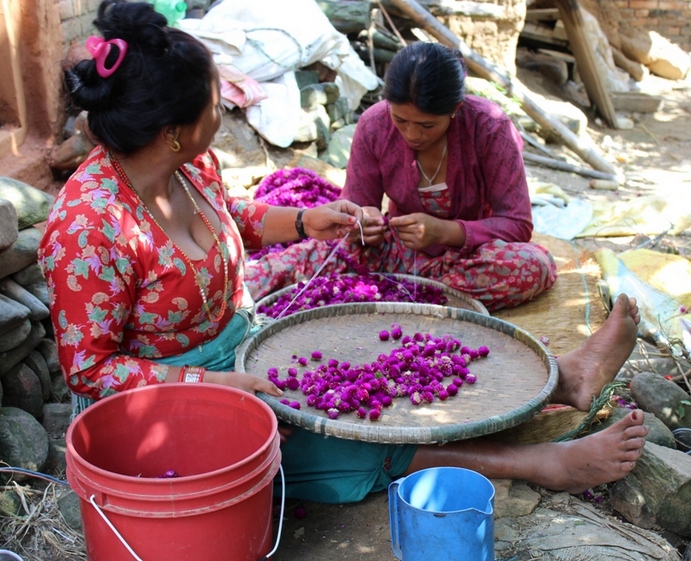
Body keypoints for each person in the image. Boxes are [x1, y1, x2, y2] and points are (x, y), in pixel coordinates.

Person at [42, 0, 647, 505]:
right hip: (167, 402)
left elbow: (233, 218)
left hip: (241, 349)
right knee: (353, 441)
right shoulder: (88, 227)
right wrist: (216, 384)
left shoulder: (189, 165)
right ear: (174, 126)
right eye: (214, 99)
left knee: (381, 378)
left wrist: (309, 220)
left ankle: (560, 379)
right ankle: (543, 462)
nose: (225, 107)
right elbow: (90, 373)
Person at [244, 42, 557, 312]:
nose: (412, 134)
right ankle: (239, 296)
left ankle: (406, 293)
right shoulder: (374, 125)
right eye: (401, 119)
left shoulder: (490, 127)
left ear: (455, 109)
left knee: (533, 266)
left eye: (427, 125)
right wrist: (363, 223)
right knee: (307, 256)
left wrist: (445, 232)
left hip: (469, 257)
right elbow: (355, 207)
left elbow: (517, 225)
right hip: (397, 253)